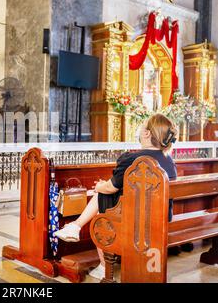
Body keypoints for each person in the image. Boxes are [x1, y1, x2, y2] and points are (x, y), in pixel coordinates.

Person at [54, 113, 178, 280]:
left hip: (137, 221)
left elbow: (111, 187)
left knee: (102, 199)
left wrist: (99, 186)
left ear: (147, 133)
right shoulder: (168, 160)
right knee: (106, 194)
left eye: (141, 126)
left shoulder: (134, 159)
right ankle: (75, 227)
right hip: (161, 217)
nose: (139, 130)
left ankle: (98, 258)